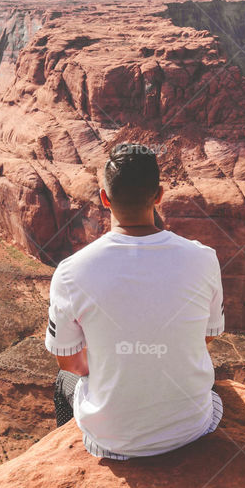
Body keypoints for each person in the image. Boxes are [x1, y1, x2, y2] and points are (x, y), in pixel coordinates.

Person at [45, 142, 225, 460]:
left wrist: (112, 362)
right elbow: (206, 336)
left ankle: (71, 454)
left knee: (64, 381)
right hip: (194, 428)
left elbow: (70, 363)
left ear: (104, 197)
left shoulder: (71, 272)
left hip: (113, 441)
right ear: (159, 195)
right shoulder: (204, 257)